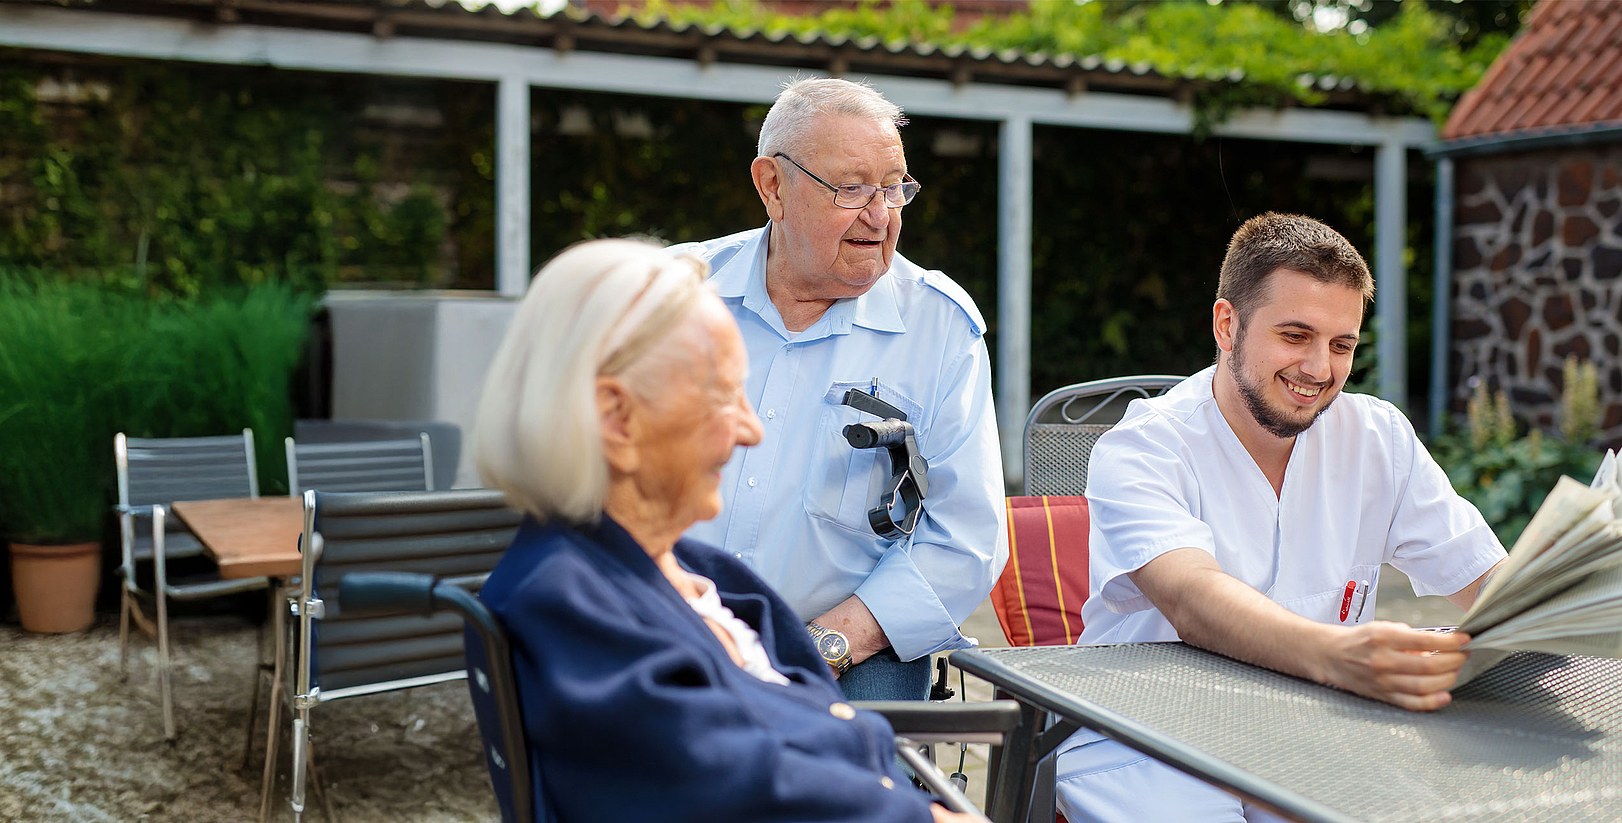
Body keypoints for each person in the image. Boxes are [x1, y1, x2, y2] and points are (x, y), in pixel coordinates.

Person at [472, 239, 982, 823]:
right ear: (617, 418)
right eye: (722, 395)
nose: (750, 430)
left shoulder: (698, 575)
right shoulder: (567, 603)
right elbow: (732, 789)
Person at [1054, 213, 1509, 823]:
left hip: (1314, 730)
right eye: (1296, 336)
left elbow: (1487, 578)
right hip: (1147, 735)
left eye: (1342, 345)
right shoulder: (1143, 448)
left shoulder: (1378, 438)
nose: (1320, 369)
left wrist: (1563, 603)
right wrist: (1339, 656)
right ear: (1227, 325)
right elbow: (1193, 599)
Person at [671, 77, 1007, 701]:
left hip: (846, 651)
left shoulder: (938, 329)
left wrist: (825, 645)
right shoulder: (671, 295)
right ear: (772, 186)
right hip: (665, 624)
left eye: (894, 188)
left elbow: (967, 538)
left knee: (855, 760)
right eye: (851, 189)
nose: (880, 217)